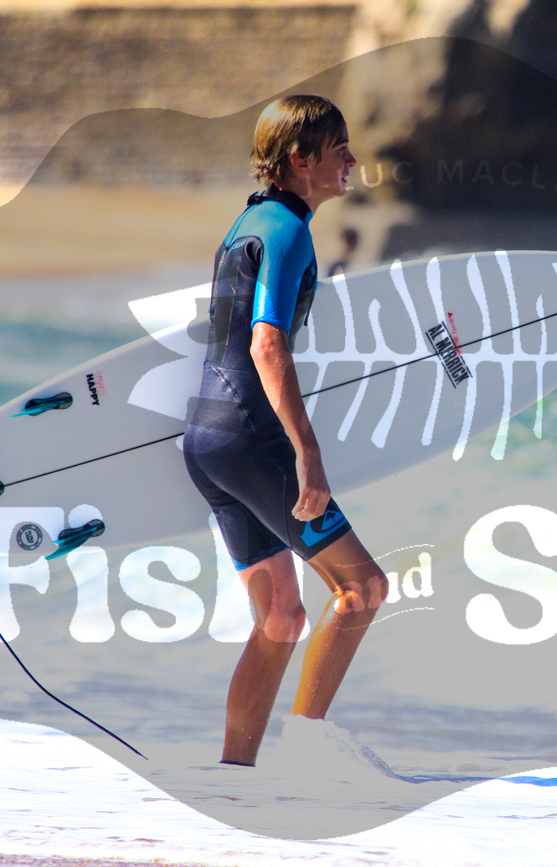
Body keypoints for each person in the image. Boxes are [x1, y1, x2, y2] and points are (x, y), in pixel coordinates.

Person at [183, 95, 388, 766]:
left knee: (281, 618)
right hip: (250, 437)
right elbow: (266, 342)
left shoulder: (248, 222)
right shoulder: (289, 231)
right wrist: (308, 452)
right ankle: (307, 751)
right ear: (302, 160)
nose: (351, 159)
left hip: (206, 439)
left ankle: (233, 778)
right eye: (339, 148)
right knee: (362, 589)